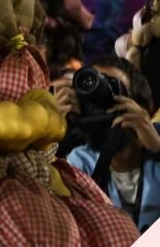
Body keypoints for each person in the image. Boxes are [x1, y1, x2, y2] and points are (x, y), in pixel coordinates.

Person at [59, 54, 160, 234]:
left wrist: (158, 148)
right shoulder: (80, 162)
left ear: (141, 108)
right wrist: (51, 129)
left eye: (110, 92)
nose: (99, 103)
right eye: (92, 97)